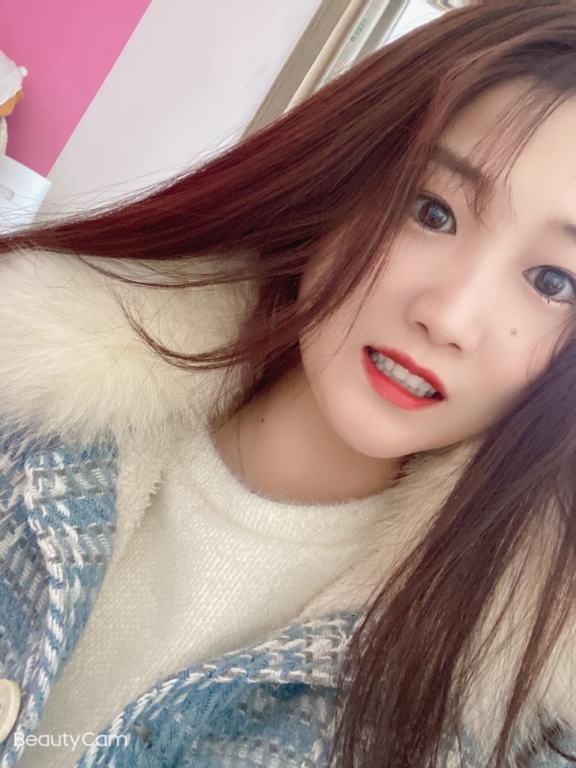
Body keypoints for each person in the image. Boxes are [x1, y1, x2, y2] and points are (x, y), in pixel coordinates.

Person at [1, 1, 576, 766]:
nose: (450, 317)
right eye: (431, 211)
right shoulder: (25, 398)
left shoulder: (510, 718)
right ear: (343, 178)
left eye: (553, 282)